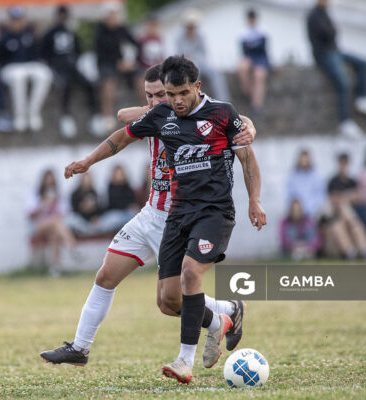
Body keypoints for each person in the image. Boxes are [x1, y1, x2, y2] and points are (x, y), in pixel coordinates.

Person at [41, 61, 259, 380]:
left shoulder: (199, 112)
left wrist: (250, 124)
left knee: (173, 298)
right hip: (149, 214)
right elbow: (122, 118)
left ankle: (223, 314)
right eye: (151, 95)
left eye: (163, 94)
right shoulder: (158, 115)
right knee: (105, 276)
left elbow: (231, 119)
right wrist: (150, 110)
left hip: (182, 214)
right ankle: (80, 347)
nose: (159, 100)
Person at [306, 0, 366, 138]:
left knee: (362, 63)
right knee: (343, 82)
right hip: (324, 54)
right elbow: (328, 33)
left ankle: (362, 97)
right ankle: (344, 121)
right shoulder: (314, 15)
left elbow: (332, 33)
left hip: (334, 51)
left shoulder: (325, 14)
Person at [41, 5, 102, 138]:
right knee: (64, 85)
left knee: (89, 84)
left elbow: (78, 50)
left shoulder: (72, 32)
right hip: (57, 67)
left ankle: (95, 115)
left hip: (73, 66)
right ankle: (66, 117)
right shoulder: (49, 33)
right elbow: (44, 53)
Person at [0, 7, 52, 132]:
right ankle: (20, 116)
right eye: (14, 20)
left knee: (45, 74)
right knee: (19, 76)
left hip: (29, 65)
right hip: (10, 68)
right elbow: (0, 59)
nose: (17, 22)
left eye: (20, 19)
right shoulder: (4, 36)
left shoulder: (30, 35)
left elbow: (38, 54)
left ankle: (33, 113)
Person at [94, 3, 142, 133]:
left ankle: (147, 112)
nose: (113, 17)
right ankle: (107, 117)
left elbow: (136, 45)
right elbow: (101, 55)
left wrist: (130, 62)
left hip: (124, 64)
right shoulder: (99, 32)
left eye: (114, 15)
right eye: (110, 15)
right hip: (107, 65)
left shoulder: (123, 29)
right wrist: (118, 63)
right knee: (108, 83)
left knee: (142, 78)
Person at [26, 169, 77, 276]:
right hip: (38, 226)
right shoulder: (35, 193)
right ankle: (71, 245)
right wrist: (43, 204)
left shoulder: (59, 194)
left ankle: (55, 268)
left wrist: (54, 205)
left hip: (54, 226)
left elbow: (65, 212)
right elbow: (29, 214)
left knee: (54, 235)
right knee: (55, 221)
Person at [328, 153, 366, 247]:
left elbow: (358, 196)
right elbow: (334, 199)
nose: (343, 166)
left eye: (345, 163)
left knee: (365, 209)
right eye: (342, 163)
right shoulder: (333, 181)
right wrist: (348, 197)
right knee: (346, 210)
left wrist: (343, 197)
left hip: (353, 210)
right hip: (340, 212)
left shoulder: (352, 181)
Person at [177, 9, 230, 103]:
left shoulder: (200, 37)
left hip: (201, 62)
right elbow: (181, 55)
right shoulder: (180, 39)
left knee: (216, 73)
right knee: (195, 73)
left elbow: (204, 53)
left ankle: (223, 100)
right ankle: (196, 99)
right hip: (187, 65)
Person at [236, 9, 270, 116]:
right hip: (249, 57)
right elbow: (244, 52)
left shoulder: (262, 31)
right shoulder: (244, 33)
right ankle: (250, 93)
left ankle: (257, 104)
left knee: (259, 75)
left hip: (260, 58)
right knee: (242, 69)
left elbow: (265, 51)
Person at [286, 150, 326, 217]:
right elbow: (289, 196)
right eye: (302, 159)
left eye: (306, 160)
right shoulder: (292, 177)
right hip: (296, 214)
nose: (304, 162)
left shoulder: (317, 176)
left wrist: (311, 210)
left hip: (313, 214)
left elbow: (320, 197)